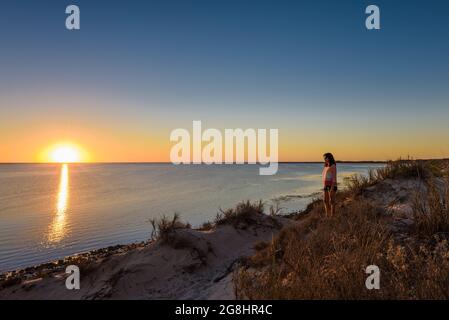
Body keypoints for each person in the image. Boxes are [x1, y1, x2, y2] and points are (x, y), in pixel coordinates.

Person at [322, 153, 337, 217]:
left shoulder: (333, 166)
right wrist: (324, 185)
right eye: (324, 158)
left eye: (326, 158)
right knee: (325, 200)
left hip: (332, 185)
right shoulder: (326, 166)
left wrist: (332, 188)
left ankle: (332, 216)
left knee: (332, 201)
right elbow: (324, 176)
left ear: (329, 158)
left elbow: (334, 178)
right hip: (326, 185)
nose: (325, 159)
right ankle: (327, 215)